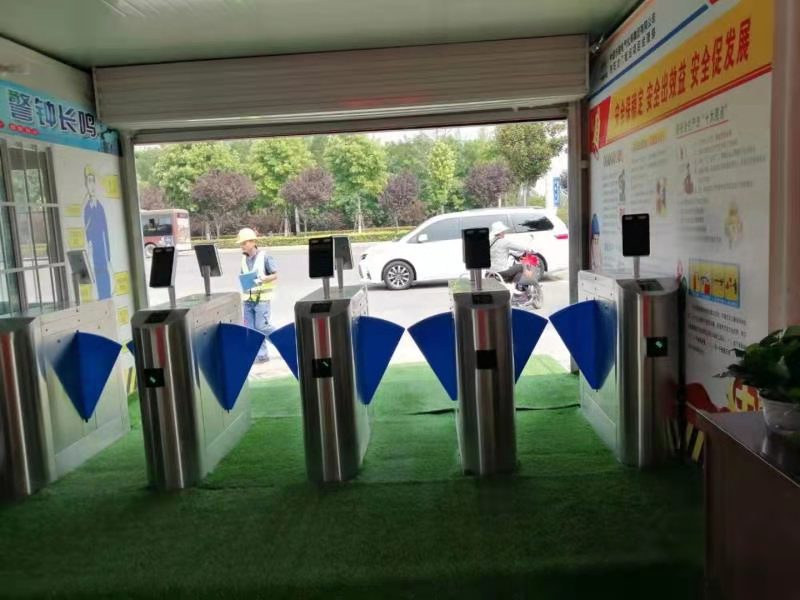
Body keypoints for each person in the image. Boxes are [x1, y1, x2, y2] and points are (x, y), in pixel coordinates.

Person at [238, 228, 278, 363]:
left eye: (244, 243)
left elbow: (275, 275)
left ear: (253, 242)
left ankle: (285, 341)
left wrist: (264, 278)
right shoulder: (243, 259)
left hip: (262, 299)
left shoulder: (265, 257)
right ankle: (262, 355)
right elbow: (244, 275)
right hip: (248, 299)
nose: (242, 246)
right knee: (251, 329)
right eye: (241, 243)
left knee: (262, 326)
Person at [83, 165, 112, 299]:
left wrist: (108, 255)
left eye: (92, 181)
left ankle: (106, 297)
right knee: (97, 274)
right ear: (86, 185)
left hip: (102, 250)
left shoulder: (100, 207)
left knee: (104, 274)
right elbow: (86, 230)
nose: (91, 185)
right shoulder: (86, 208)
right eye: (88, 181)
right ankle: (102, 298)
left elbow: (105, 231)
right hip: (93, 250)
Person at [489, 221, 536, 289]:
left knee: (513, 269)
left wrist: (509, 252)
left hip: (491, 271)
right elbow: (519, 247)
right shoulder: (504, 242)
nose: (504, 233)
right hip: (501, 272)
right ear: (500, 232)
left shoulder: (490, 241)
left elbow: (498, 251)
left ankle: (514, 287)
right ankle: (518, 288)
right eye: (503, 231)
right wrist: (530, 249)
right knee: (521, 266)